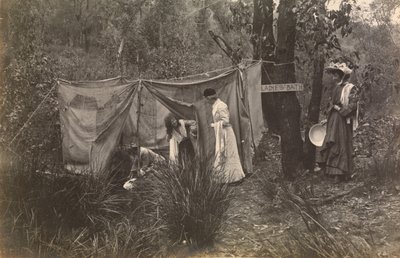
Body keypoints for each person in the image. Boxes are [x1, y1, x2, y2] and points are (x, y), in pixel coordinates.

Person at [319, 62, 359, 182]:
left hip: (342, 120)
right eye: (333, 74)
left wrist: (341, 110)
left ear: (342, 75)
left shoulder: (351, 88)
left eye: (336, 74)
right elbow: (331, 104)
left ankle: (340, 173)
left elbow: (353, 105)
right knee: (332, 141)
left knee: (341, 143)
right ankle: (330, 172)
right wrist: (329, 114)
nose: (333, 77)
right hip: (333, 119)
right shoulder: (336, 87)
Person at [203, 88, 245, 184]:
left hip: (226, 134)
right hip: (221, 133)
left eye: (206, 98)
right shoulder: (215, 105)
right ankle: (225, 178)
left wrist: (214, 125)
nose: (206, 101)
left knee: (228, 153)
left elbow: (226, 121)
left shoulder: (221, 105)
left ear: (209, 97)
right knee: (222, 154)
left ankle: (235, 178)